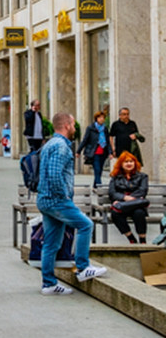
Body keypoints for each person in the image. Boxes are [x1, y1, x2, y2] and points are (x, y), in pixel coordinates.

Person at [37, 112, 107, 295]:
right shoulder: (61, 146)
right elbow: (54, 174)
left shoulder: (50, 144)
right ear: (66, 125)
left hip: (46, 199)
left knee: (51, 243)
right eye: (73, 125)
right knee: (86, 225)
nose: (75, 128)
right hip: (56, 200)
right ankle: (83, 268)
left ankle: (49, 284)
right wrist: (63, 196)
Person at [108, 152, 149, 244]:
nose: (129, 164)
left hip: (136, 204)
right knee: (115, 214)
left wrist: (129, 198)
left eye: (131, 161)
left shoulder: (142, 176)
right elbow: (112, 193)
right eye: (126, 162)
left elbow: (143, 190)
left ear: (135, 163)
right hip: (122, 206)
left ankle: (142, 240)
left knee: (139, 213)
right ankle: (131, 238)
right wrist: (124, 197)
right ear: (121, 164)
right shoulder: (115, 177)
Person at [77, 111, 108, 189]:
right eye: (100, 117)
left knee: (100, 170)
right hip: (94, 152)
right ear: (96, 118)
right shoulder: (91, 128)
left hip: (103, 152)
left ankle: (95, 186)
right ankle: (99, 187)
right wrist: (78, 151)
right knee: (97, 169)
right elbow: (85, 140)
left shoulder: (105, 129)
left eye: (103, 118)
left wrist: (110, 152)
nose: (102, 119)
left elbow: (107, 141)